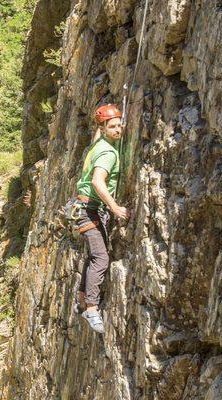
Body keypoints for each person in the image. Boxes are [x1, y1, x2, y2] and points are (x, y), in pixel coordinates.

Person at [73, 104, 130, 334]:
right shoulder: (107, 153)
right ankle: (92, 308)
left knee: (94, 255)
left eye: (120, 125)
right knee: (101, 259)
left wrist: (112, 111)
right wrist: (115, 208)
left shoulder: (99, 143)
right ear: (104, 128)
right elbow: (98, 182)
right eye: (113, 126)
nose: (118, 130)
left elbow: (98, 132)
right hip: (90, 209)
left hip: (83, 207)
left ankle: (81, 297)